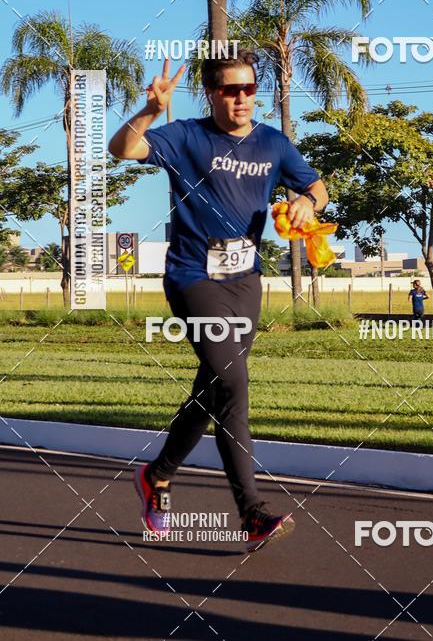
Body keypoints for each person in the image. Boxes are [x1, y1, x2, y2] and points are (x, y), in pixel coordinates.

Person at [108, 50, 328, 552]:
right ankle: (251, 513)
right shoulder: (186, 135)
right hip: (194, 277)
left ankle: (157, 476)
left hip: (247, 281)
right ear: (211, 93)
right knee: (233, 381)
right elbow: (123, 149)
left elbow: (318, 186)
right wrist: (147, 111)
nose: (243, 98)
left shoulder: (272, 142)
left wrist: (306, 201)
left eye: (250, 88)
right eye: (231, 89)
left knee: (216, 387)